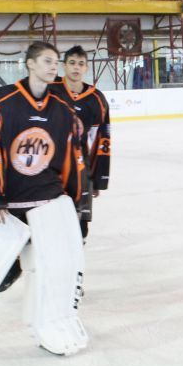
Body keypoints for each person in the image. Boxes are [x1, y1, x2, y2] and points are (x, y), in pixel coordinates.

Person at [0, 41, 89, 292]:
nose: (53, 67)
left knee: (50, 265)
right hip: (11, 199)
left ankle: (57, 292)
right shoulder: (1, 100)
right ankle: (12, 266)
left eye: (55, 63)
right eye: (47, 61)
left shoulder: (62, 108)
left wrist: (77, 201)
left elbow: (74, 157)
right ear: (30, 64)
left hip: (48, 199)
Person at [53, 45, 111, 240]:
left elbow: (101, 141)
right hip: (52, 170)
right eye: (72, 63)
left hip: (80, 169)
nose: (76, 67)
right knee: (52, 224)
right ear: (64, 66)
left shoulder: (96, 99)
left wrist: (97, 177)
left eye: (81, 64)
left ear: (86, 68)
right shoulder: (51, 91)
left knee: (80, 228)